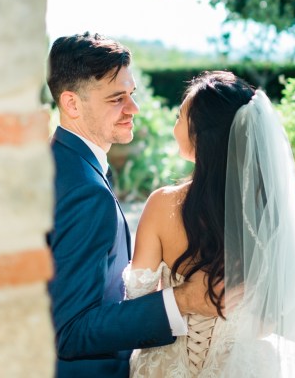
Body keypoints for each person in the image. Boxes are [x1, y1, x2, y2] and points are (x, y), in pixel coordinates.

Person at [123, 70, 295, 377]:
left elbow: (137, 307)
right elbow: (273, 317)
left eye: (180, 116)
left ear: (200, 136)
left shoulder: (162, 205)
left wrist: (183, 301)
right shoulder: (266, 214)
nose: (174, 124)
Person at [46, 33, 215, 378]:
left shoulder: (57, 164)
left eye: (131, 95)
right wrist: (181, 300)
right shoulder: (85, 192)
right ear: (72, 103)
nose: (133, 109)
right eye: (116, 98)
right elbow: (72, 330)